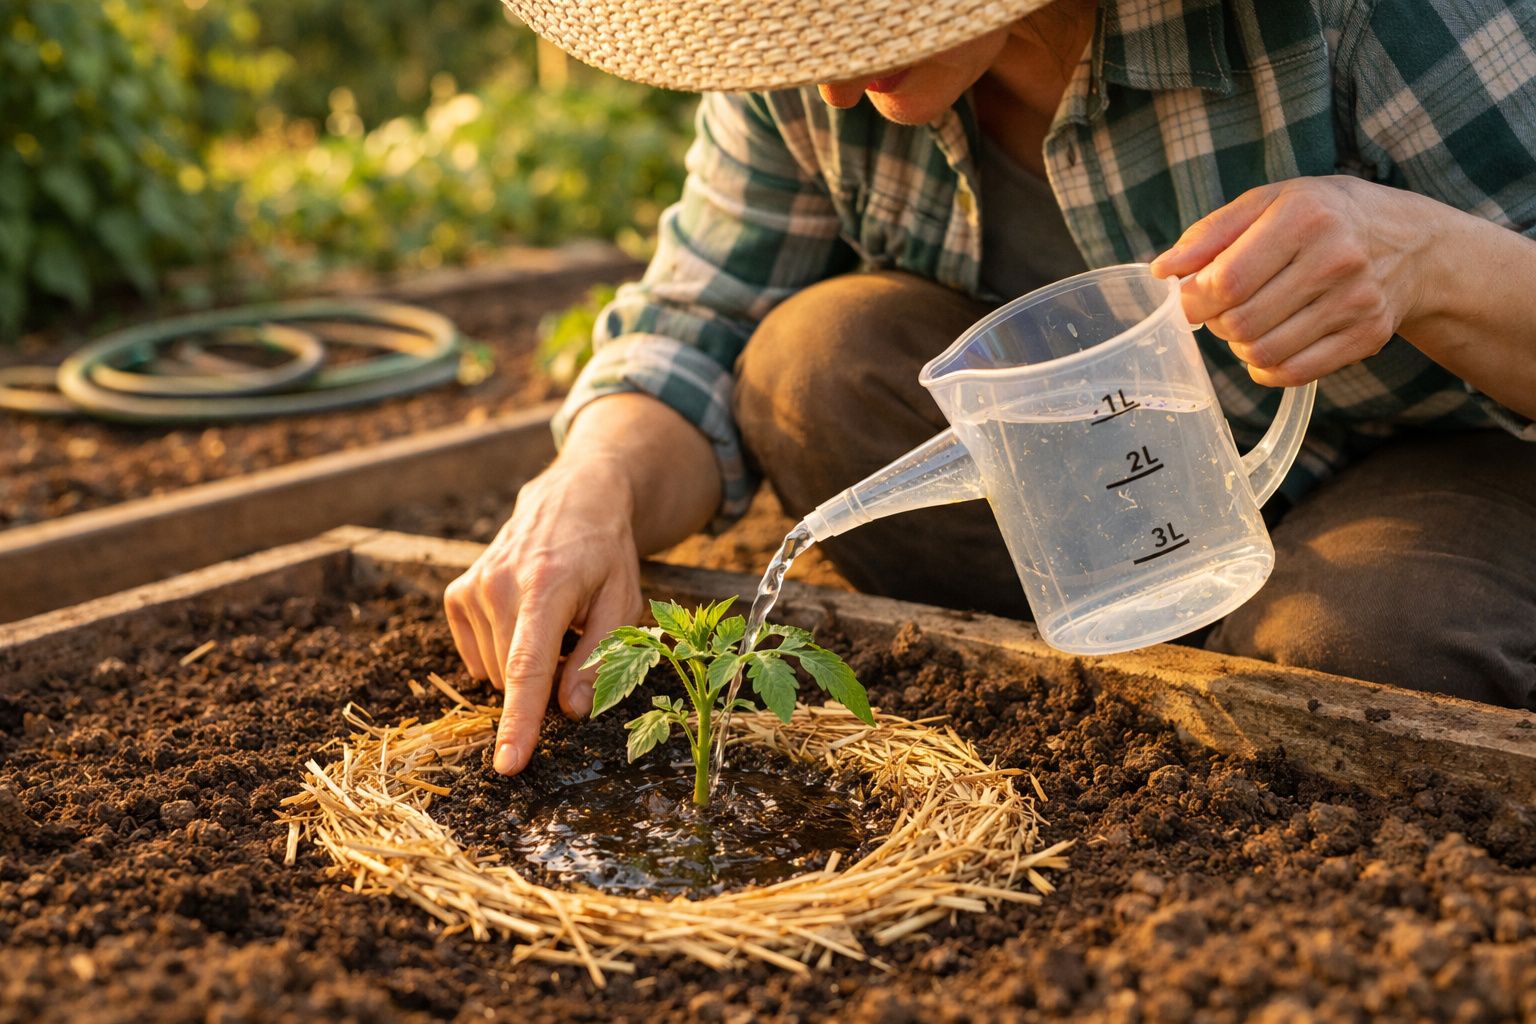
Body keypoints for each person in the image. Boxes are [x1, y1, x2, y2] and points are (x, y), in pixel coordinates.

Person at [447, 0, 1536, 776]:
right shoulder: (801, 67)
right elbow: (701, 324)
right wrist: (590, 484)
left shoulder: (1373, 15)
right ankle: (1159, 673)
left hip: (1450, 448)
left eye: (876, 15)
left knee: (1363, 644)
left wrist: (1426, 259)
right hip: (1121, 487)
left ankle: (1283, 646)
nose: (829, 75)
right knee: (812, 364)